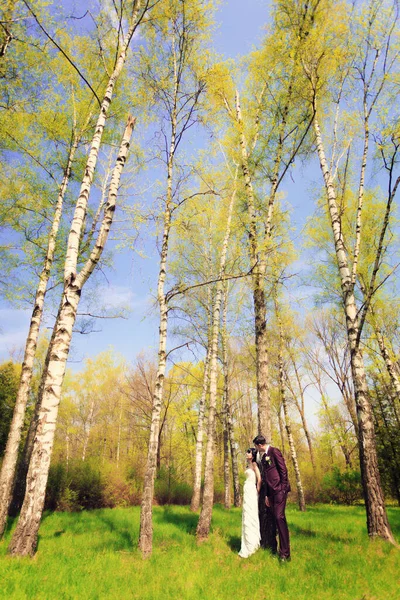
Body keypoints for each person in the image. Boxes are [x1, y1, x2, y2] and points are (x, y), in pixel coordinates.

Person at [253, 434, 291, 562]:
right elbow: (266, 478)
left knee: (279, 518)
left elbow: (283, 471)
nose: (256, 449)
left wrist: (283, 488)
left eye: (256, 447)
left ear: (260, 445)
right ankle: (276, 548)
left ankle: (285, 554)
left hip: (280, 491)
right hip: (271, 494)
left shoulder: (274, 452)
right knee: (276, 520)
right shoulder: (264, 458)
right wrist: (267, 496)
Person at [238, 448, 261, 558]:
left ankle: (252, 545)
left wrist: (257, 489)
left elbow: (259, 478)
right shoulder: (248, 465)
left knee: (251, 515)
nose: (247, 454)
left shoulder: (254, 464)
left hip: (251, 491)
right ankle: (246, 545)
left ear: (253, 454)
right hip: (247, 491)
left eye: (249, 452)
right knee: (246, 515)